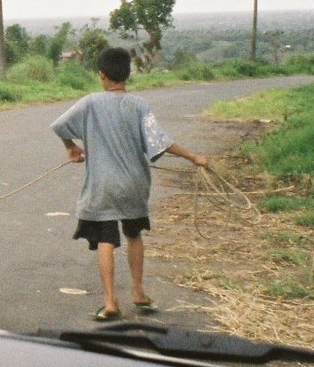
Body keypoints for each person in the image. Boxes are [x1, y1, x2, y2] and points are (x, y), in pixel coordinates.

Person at [50, 47, 208, 321]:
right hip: (134, 183)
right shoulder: (139, 105)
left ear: (101, 75)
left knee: (105, 240)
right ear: (127, 75)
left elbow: (60, 125)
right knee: (134, 234)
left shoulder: (89, 103)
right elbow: (161, 141)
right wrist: (194, 157)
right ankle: (138, 292)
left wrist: (71, 148)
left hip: (103, 186)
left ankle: (111, 301)